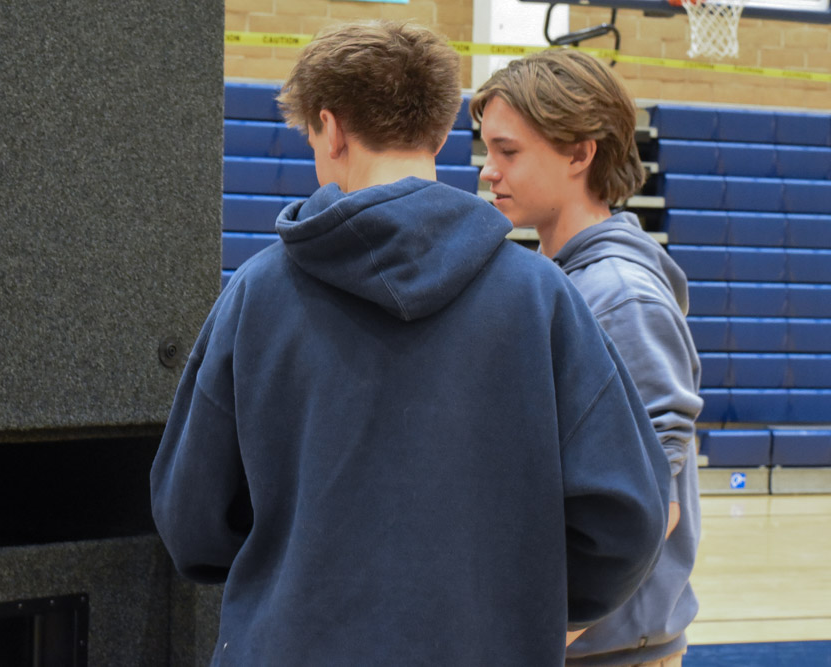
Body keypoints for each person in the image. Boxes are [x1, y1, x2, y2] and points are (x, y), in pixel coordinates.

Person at [151, 21, 670, 666]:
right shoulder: (542, 297)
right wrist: (515, 603)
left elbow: (190, 516)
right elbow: (628, 517)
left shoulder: (257, 295)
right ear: (441, 126)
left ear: (332, 128)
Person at [472, 48, 704, 667]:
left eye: (509, 152)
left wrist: (549, 634)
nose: (488, 171)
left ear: (580, 153)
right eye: (487, 150)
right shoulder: (558, 281)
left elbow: (658, 505)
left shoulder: (619, 297)